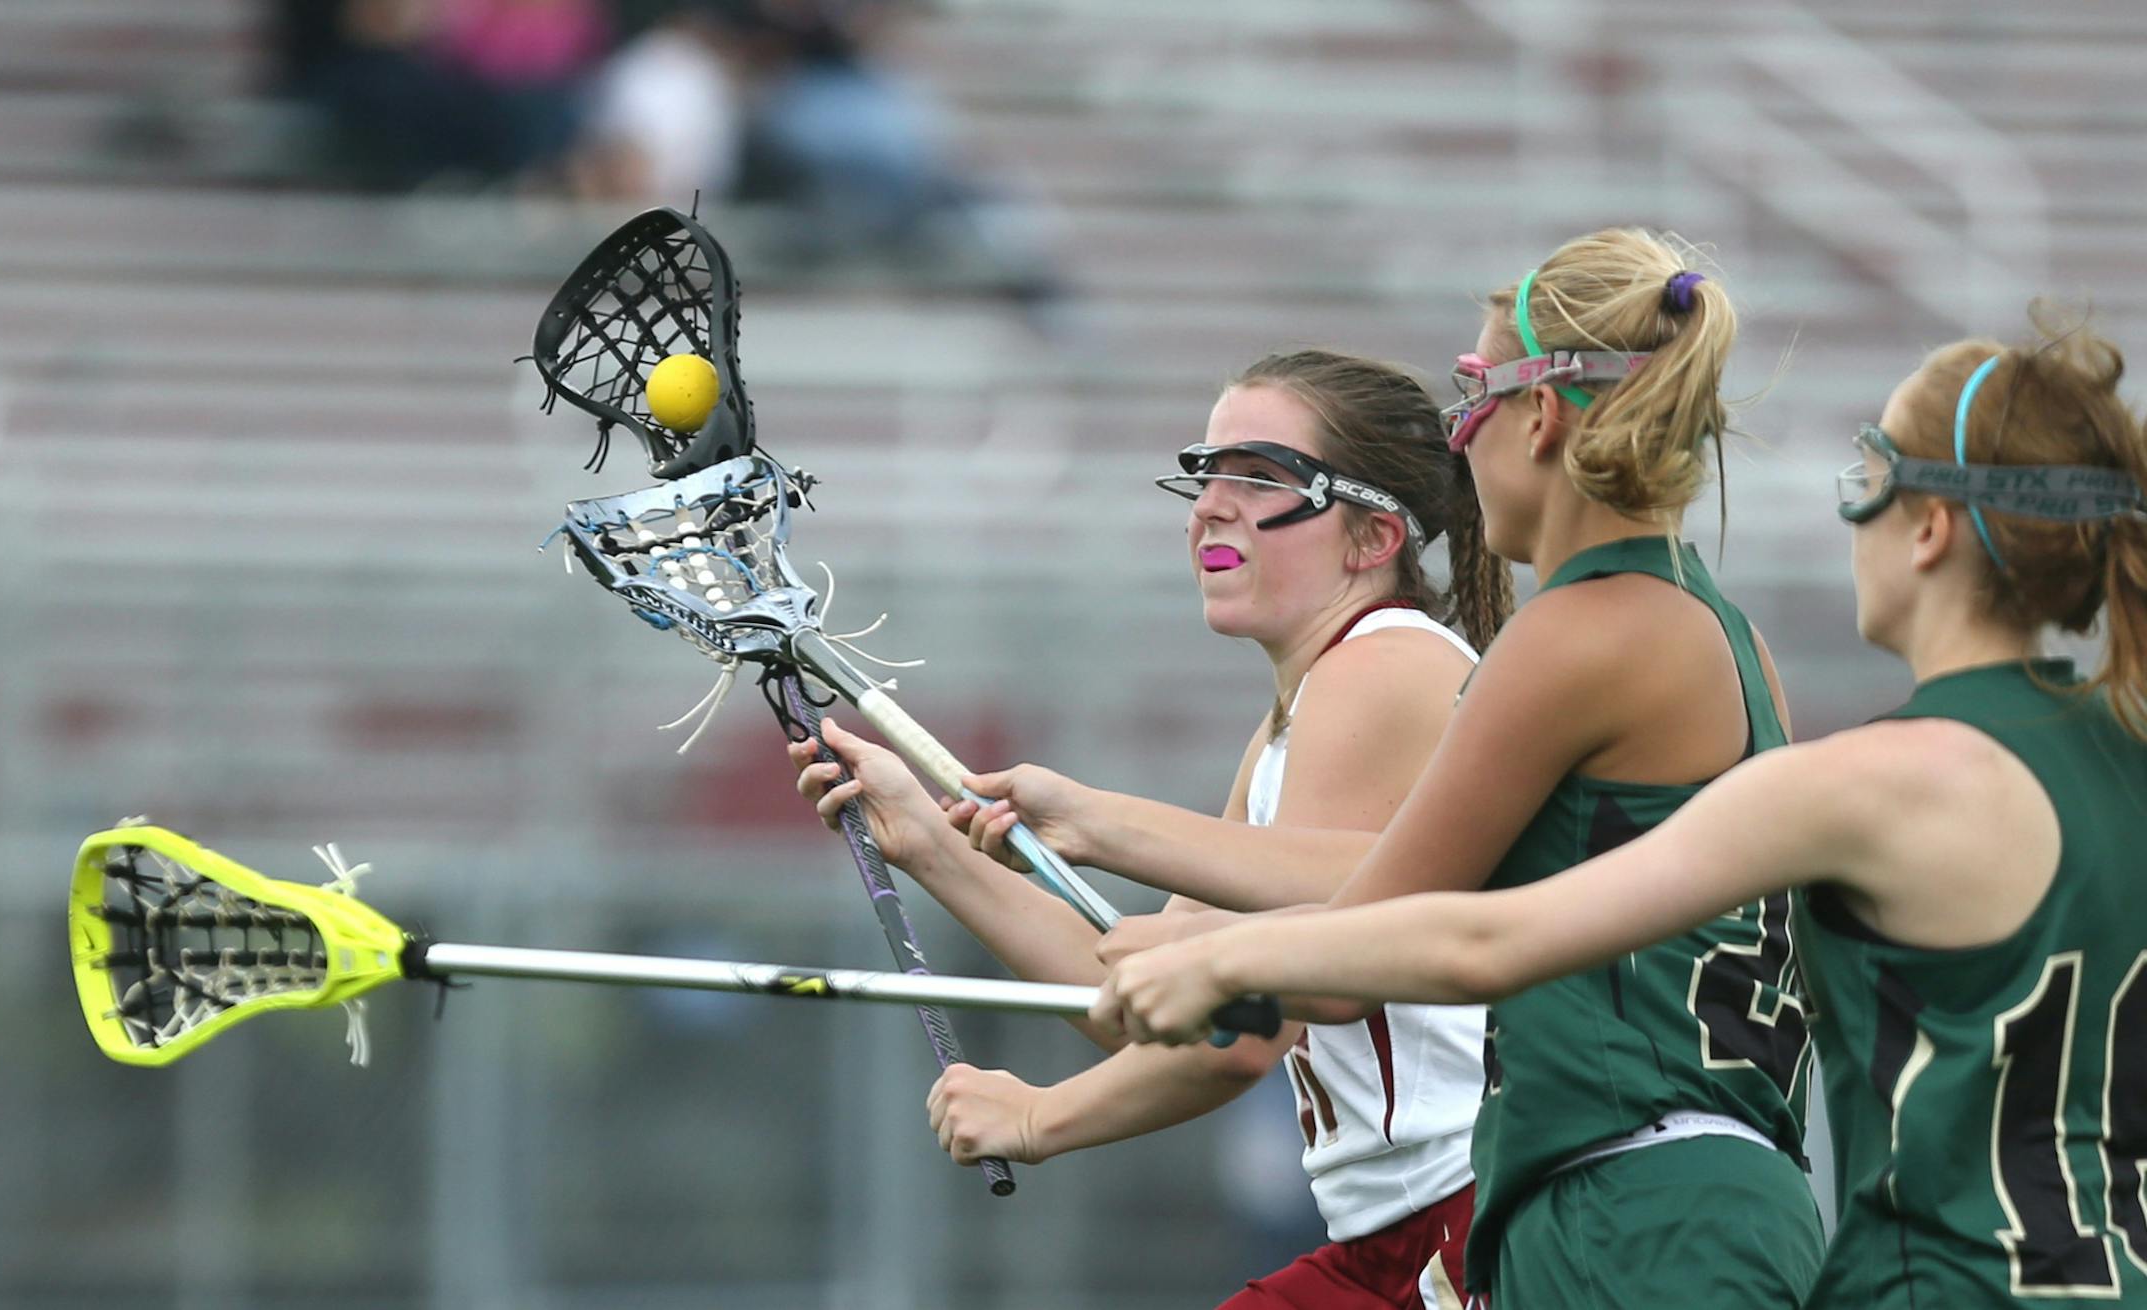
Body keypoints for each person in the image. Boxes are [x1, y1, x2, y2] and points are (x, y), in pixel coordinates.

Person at [1099, 311, 2147, 1306]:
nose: (1852, 517)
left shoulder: (1861, 779)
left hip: (1854, 1264)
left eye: (1863, 478)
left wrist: (1229, 957)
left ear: (1927, 529)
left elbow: (1484, 938)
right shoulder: (2125, 758)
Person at [1082, 228, 1823, 1308]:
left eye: (1471, 393)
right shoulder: (1719, 628)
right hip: (1704, 1195)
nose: (1455, 438)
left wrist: (1204, 938)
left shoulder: (1573, 636)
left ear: (1542, 413)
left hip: (1625, 1207)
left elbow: (1364, 950)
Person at [792, 348, 1513, 1308]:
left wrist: (1040, 1117)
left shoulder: (1379, 666)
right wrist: (925, 841)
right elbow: (1156, 1003)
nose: (1209, 506)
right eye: (1206, 473)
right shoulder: (1289, 726)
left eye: (1258, 478)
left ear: (1373, 535)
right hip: (1396, 1237)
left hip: (1464, 1227)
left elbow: (1253, 1032)